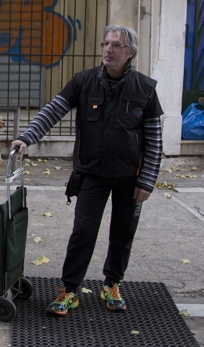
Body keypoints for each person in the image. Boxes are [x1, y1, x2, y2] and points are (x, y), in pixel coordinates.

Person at [10, 25, 163, 316]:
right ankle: (69, 289)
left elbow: (155, 138)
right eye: (106, 43)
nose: (108, 49)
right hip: (92, 173)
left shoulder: (145, 89)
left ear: (129, 53)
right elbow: (53, 109)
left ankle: (112, 284)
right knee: (83, 232)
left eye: (115, 45)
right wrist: (27, 137)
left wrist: (148, 180)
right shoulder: (84, 81)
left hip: (130, 177)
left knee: (122, 233)